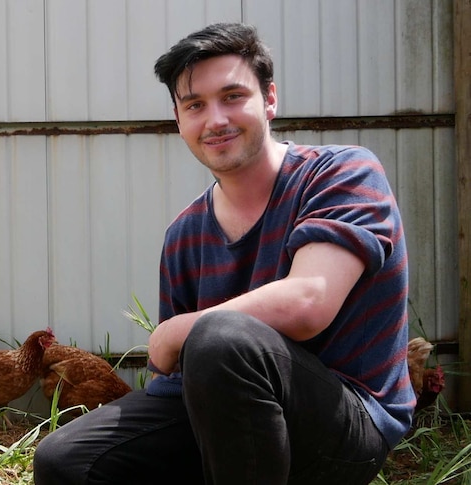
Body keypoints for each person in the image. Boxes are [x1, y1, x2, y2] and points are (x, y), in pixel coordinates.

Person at [33, 22, 414, 485]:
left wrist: (174, 331)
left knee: (221, 337)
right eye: (195, 105)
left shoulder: (342, 173)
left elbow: (309, 302)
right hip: (232, 427)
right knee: (67, 460)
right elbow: (178, 382)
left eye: (233, 96)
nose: (215, 120)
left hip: (346, 423)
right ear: (179, 120)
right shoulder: (185, 235)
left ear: (269, 99)